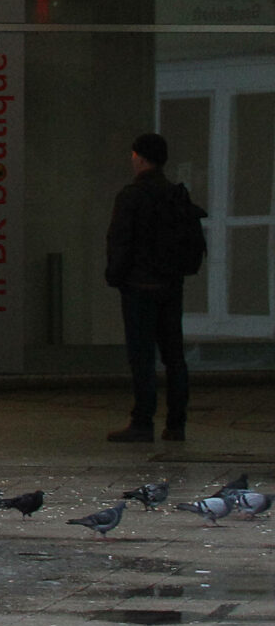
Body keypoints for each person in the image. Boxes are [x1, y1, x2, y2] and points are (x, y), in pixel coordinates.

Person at [106, 131, 202, 444]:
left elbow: (120, 242)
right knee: (174, 356)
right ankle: (176, 424)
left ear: (140, 157)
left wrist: (115, 276)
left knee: (142, 357)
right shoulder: (175, 195)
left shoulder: (131, 196)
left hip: (138, 287)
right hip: (170, 286)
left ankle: (143, 421)